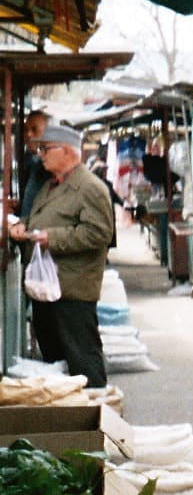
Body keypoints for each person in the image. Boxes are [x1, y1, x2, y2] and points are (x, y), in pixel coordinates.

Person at [10, 121, 115, 388]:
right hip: (48, 288)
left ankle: (96, 407)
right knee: (56, 362)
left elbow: (98, 233)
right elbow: (42, 216)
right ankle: (70, 411)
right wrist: (23, 224)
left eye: (46, 149)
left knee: (82, 359)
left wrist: (51, 238)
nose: (41, 155)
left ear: (67, 151)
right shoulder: (51, 185)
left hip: (72, 289)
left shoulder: (90, 188)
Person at [19, 109, 51, 221]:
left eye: (34, 129)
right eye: (26, 130)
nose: (28, 134)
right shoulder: (31, 161)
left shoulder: (53, 167)